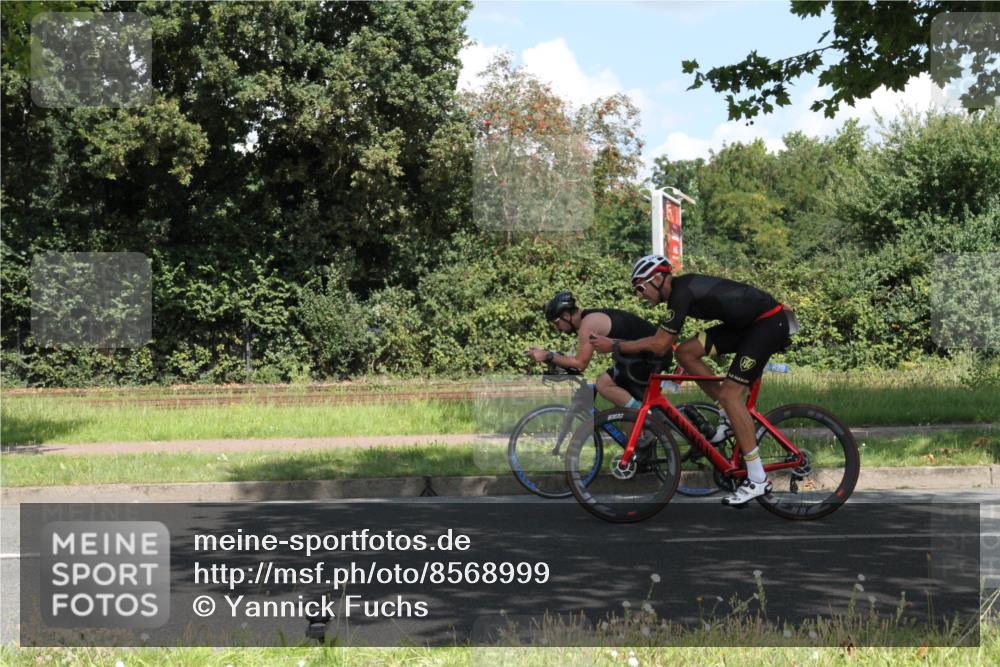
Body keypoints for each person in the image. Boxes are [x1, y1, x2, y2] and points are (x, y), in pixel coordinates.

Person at [589, 255, 794, 507]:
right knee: (685, 353)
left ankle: (757, 478)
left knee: (732, 395)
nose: (639, 295)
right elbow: (666, 344)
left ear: (656, 278)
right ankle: (728, 413)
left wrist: (616, 345)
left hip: (767, 324)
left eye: (640, 288)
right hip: (744, 326)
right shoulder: (680, 292)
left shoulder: (680, 293)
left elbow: (659, 343)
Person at [526, 290, 662, 408]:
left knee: (603, 384)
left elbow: (580, 364)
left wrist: (548, 356)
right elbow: (575, 360)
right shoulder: (588, 319)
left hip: (651, 353)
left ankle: (645, 417)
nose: (558, 328)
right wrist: (551, 356)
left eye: (556, 323)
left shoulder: (588, 325)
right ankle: (643, 431)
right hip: (641, 355)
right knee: (623, 411)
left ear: (566, 316)